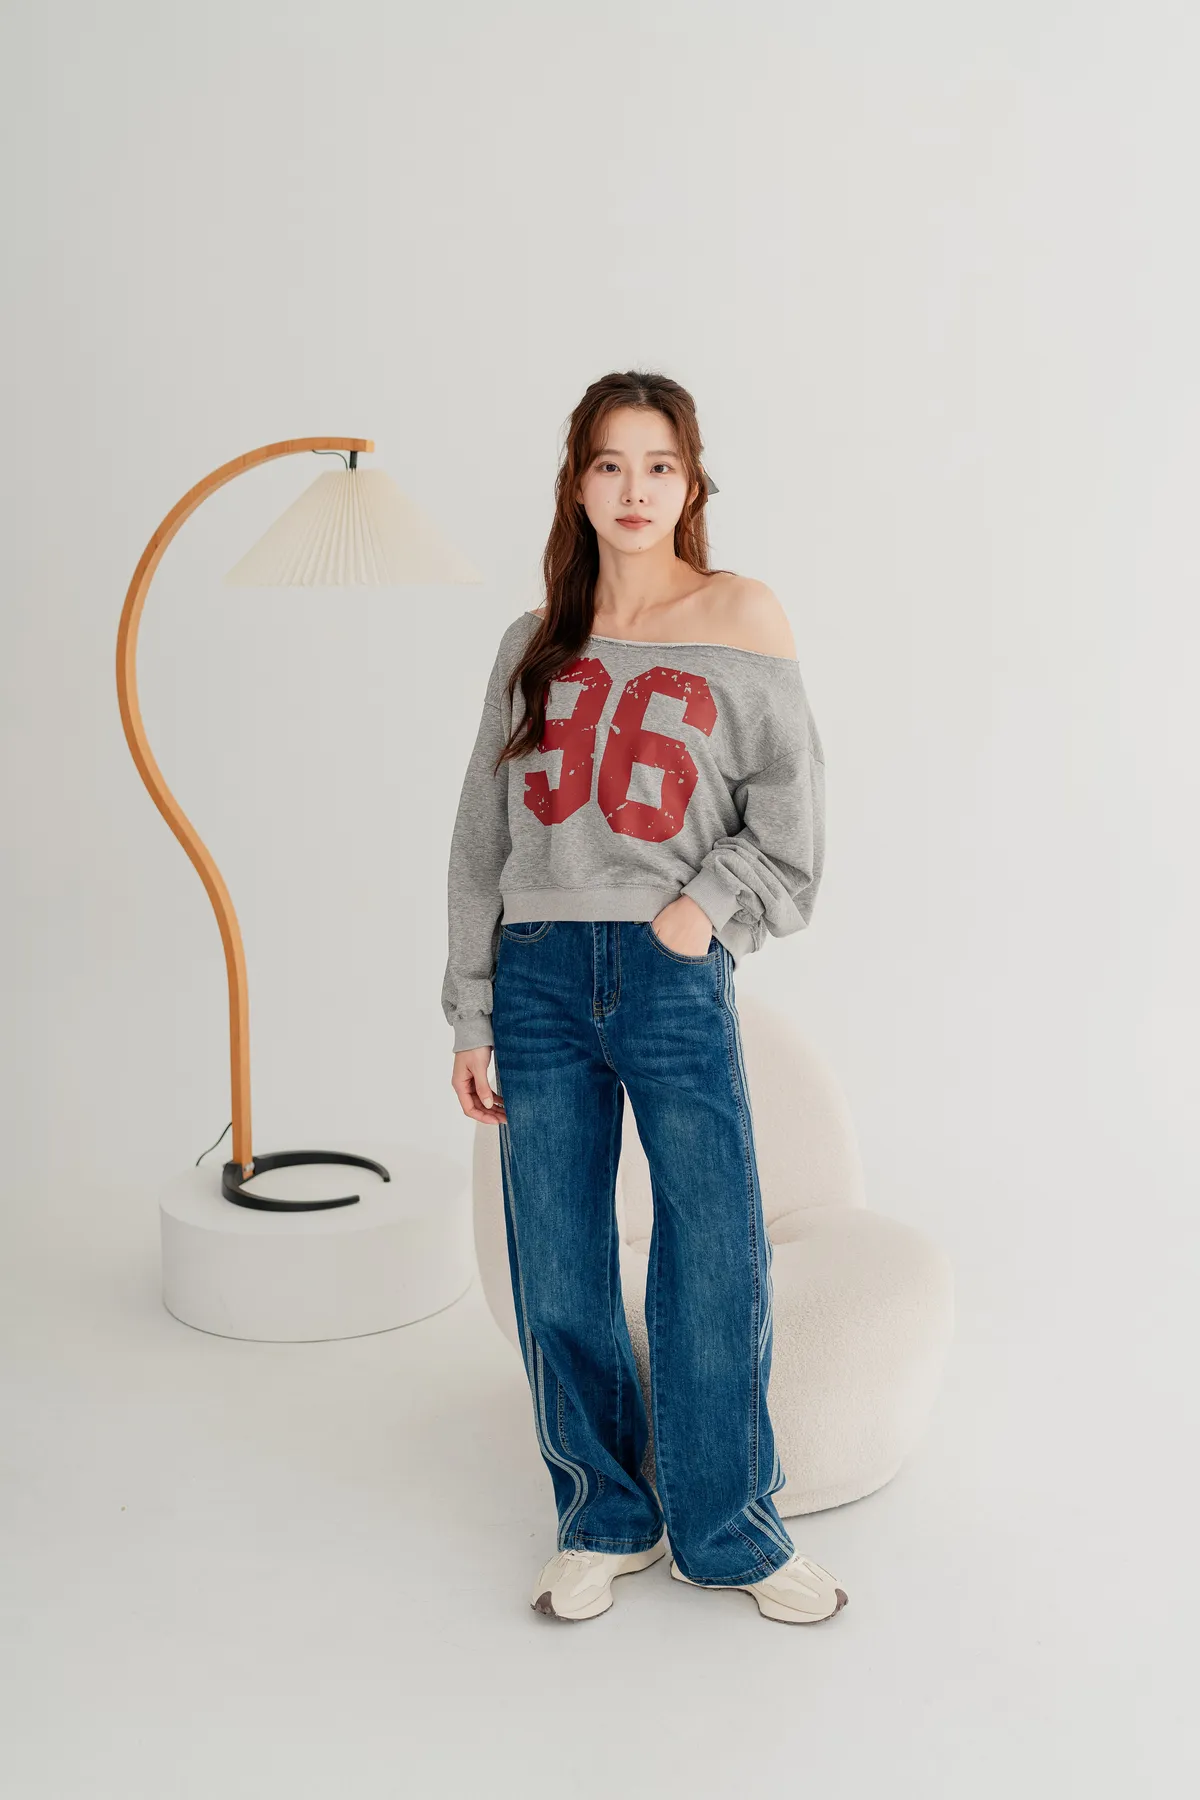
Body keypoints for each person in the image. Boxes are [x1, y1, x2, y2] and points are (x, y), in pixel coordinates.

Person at [441, 369, 847, 1626]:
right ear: (578, 484)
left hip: (672, 974)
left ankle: (728, 1531)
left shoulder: (741, 614)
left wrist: (701, 910)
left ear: (691, 481)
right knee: (558, 1257)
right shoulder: (534, 641)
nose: (634, 489)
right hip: (537, 978)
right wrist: (471, 1010)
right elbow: (479, 840)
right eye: (610, 464)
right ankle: (602, 1517)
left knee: (713, 1249)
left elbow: (791, 824)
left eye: (658, 464)